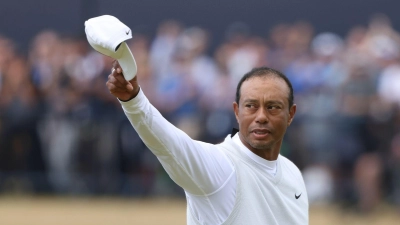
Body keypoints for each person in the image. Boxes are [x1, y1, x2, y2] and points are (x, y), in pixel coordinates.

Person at [106, 60, 309, 224]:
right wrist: (133, 100)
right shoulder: (220, 166)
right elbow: (168, 143)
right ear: (237, 112)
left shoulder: (292, 173)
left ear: (290, 114)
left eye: (273, 107)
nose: (261, 116)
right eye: (251, 106)